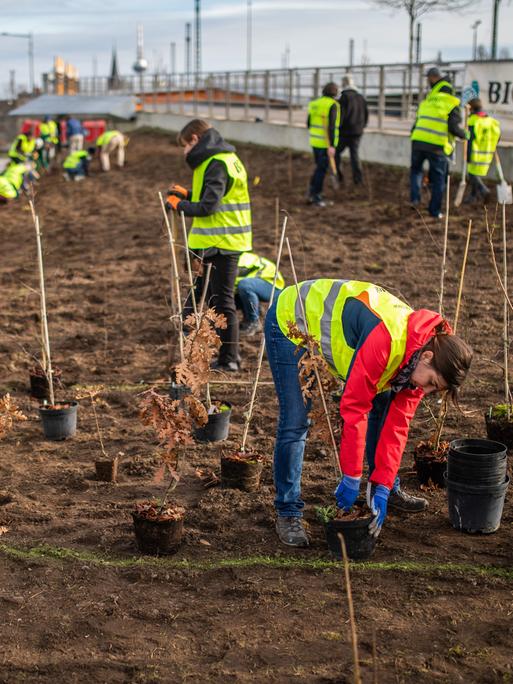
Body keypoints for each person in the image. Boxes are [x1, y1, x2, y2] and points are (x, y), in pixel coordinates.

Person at [265, 278, 472, 547]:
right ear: (427, 357)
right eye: (432, 383)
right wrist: (351, 476)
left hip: (332, 331)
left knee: (383, 408)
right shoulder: (388, 340)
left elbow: (398, 426)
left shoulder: (417, 356)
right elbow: (354, 408)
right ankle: (288, 510)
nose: (427, 391)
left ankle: (381, 489)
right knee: (295, 421)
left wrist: (383, 484)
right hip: (292, 319)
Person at [166, 119, 252, 372]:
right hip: (215, 243)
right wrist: (187, 193)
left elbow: (209, 207)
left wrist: (178, 205)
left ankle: (230, 359)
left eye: (185, 145)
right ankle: (185, 340)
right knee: (197, 293)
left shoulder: (216, 163)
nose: (184, 152)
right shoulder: (224, 159)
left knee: (222, 303)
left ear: (194, 139)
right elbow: (213, 195)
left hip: (222, 243)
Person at [410, 67, 468, 219]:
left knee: (416, 171)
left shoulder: (427, 102)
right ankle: (434, 211)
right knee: (438, 180)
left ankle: (415, 199)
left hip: (417, 141)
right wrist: (465, 135)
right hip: (436, 146)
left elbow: (416, 123)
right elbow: (453, 128)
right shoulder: (452, 103)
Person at [235, 251, 285, 336]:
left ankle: (254, 322)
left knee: (244, 285)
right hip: (257, 284)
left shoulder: (237, 263)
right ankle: (252, 313)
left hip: (272, 285)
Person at [307, 82, 340, 207]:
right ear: (335, 93)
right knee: (321, 170)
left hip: (315, 141)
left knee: (318, 168)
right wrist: (331, 145)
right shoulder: (333, 105)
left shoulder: (314, 104)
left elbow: (309, 123)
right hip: (325, 144)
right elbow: (331, 126)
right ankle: (316, 196)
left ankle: (312, 193)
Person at [335, 74, 368, 185]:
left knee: (336, 153)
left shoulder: (343, 98)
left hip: (345, 132)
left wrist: (338, 128)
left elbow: (340, 116)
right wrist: (362, 127)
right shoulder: (361, 97)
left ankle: (338, 177)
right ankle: (358, 180)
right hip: (357, 132)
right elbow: (366, 115)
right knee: (354, 155)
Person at [465, 98, 501, 204]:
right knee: (475, 173)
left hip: (475, 153)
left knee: (472, 174)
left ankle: (484, 190)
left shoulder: (474, 121)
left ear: (471, 108)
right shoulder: (491, 121)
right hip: (487, 153)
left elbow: (470, 140)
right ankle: (473, 196)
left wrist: (468, 154)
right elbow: (498, 137)